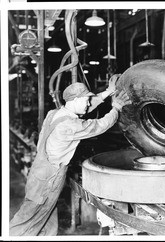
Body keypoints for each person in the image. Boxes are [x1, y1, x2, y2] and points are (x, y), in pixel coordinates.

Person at [9, 75, 131, 236]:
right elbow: (100, 125)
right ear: (75, 101)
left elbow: (86, 108)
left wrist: (108, 92)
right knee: (26, 220)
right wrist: (116, 108)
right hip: (49, 179)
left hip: (39, 172)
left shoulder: (55, 113)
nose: (88, 103)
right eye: (86, 99)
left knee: (47, 221)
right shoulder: (69, 125)